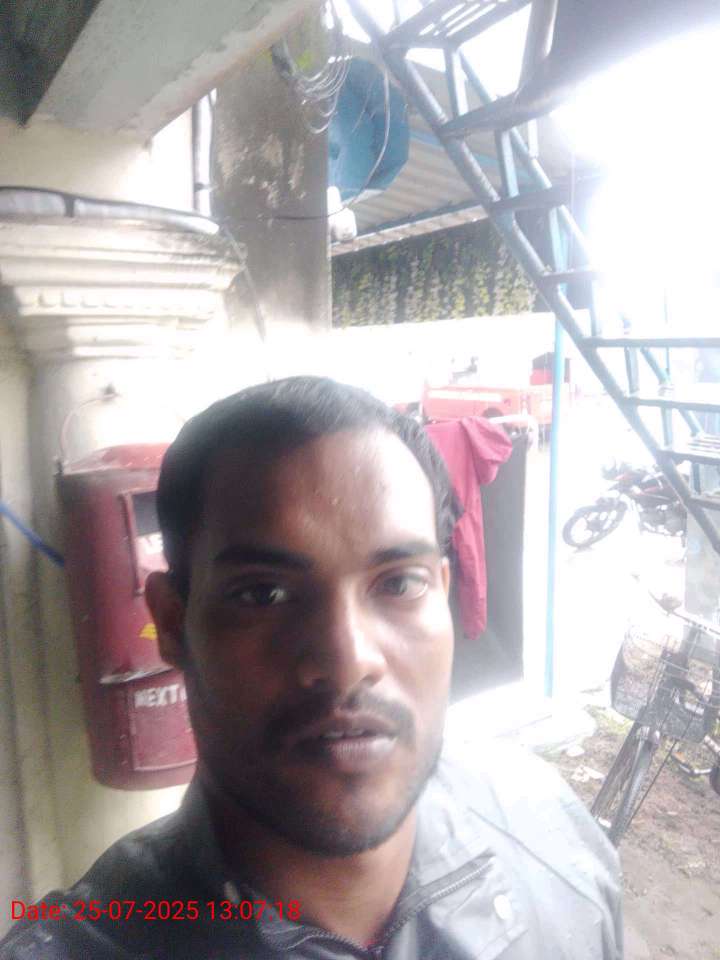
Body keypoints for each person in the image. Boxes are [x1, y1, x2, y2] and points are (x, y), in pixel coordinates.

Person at [0, 376, 623, 959]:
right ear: (172, 622)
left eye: (398, 583)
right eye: (263, 594)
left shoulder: (555, 842)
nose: (348, 662)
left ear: (443, 592)